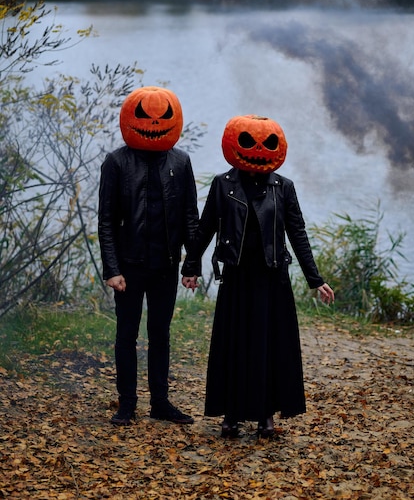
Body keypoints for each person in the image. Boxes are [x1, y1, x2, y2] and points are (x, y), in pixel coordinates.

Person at [182, 114, 334, 438]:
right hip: (237, 278)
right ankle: (232, 415)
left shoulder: (284, 187)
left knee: (269, 347)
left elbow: (298, 233)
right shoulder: (223, 184)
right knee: (235, 345)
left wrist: (315, 278)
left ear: (278, 148)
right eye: (249, 142)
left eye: (267, 143)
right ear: (236, 145)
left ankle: (266, 415)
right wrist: (191, 266)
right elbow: (206, 227)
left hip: (272, 278)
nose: (258, 150)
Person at [98, 86, 199, 426]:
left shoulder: (181, 162)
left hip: (166, 266)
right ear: (130, 119)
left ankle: (160, 402)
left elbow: (190, 217)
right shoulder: (116, 162)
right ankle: (127, 404)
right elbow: (106, 221)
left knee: (160, 334)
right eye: (144, 116)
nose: (154, 123)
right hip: (129, 266)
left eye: (164, 116)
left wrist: (192, 263)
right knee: (126, 335)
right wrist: (111, 268)